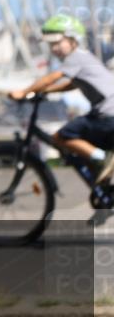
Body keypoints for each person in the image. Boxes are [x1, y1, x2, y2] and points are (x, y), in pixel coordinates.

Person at [8, 14, 114, 189]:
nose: (54, 48)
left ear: (73, 40)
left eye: (58, 43)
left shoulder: (75, 57)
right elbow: (71, 84)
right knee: (83, 148)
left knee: (61, 137)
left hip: (107, 114)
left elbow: (52, 77)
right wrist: (44, 92)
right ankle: (104, 186)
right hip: (107, 114)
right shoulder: (84, 57)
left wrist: (24, 92)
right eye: (51, 45)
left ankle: (105, 161)